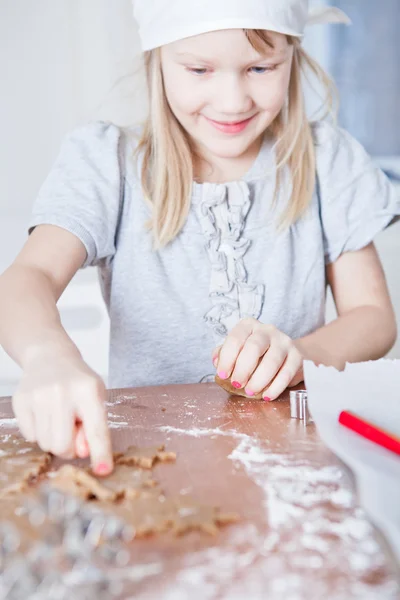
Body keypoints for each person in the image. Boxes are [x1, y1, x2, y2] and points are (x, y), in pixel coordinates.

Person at [0, 0, 398, 475]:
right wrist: (49, 355)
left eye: (260, 67)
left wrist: (300, 357)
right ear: (159, 62)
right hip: (150, 461)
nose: (232, 101)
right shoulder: (110, 163)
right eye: (199, 69)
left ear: (293, 56)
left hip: (292, 464)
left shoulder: (328, 161)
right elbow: (30, 276)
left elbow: (373, 317)